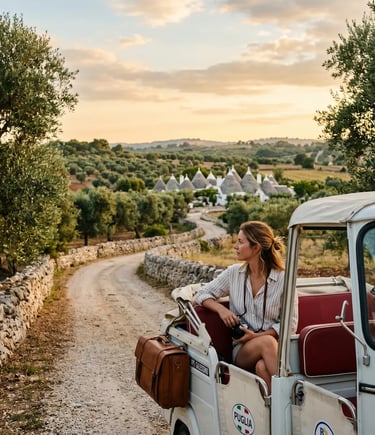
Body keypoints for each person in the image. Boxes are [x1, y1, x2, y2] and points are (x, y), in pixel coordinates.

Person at [195, 220, 298, 392]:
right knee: (266, 342)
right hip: (242, 349)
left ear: (256, 247)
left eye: (240, 242)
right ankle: (292, 396)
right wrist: (222, 310)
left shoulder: (283, 279)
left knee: (261, 367)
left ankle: (278, 414)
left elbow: (291, 325)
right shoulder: (234, 273)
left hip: (275, 349)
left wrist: (257, 335)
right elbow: (201, 294)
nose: (235, 246)